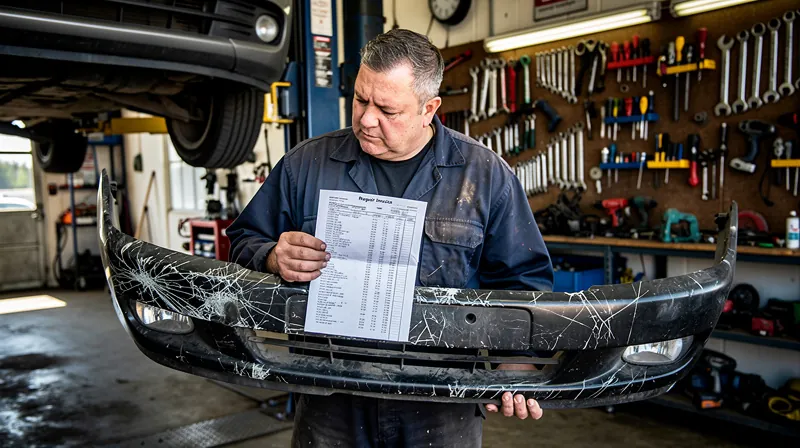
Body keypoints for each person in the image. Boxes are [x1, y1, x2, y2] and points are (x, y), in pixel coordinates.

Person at [227, 28, 554, 447]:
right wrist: (273, 256)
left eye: (386, 109)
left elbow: (525, 285)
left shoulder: (485, 176)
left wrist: (518, 363)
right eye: (361, 99)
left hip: (442, 398)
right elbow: (243, 239)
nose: (366, 118)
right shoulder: (304, 165)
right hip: (330, 393)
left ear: (428, 109)